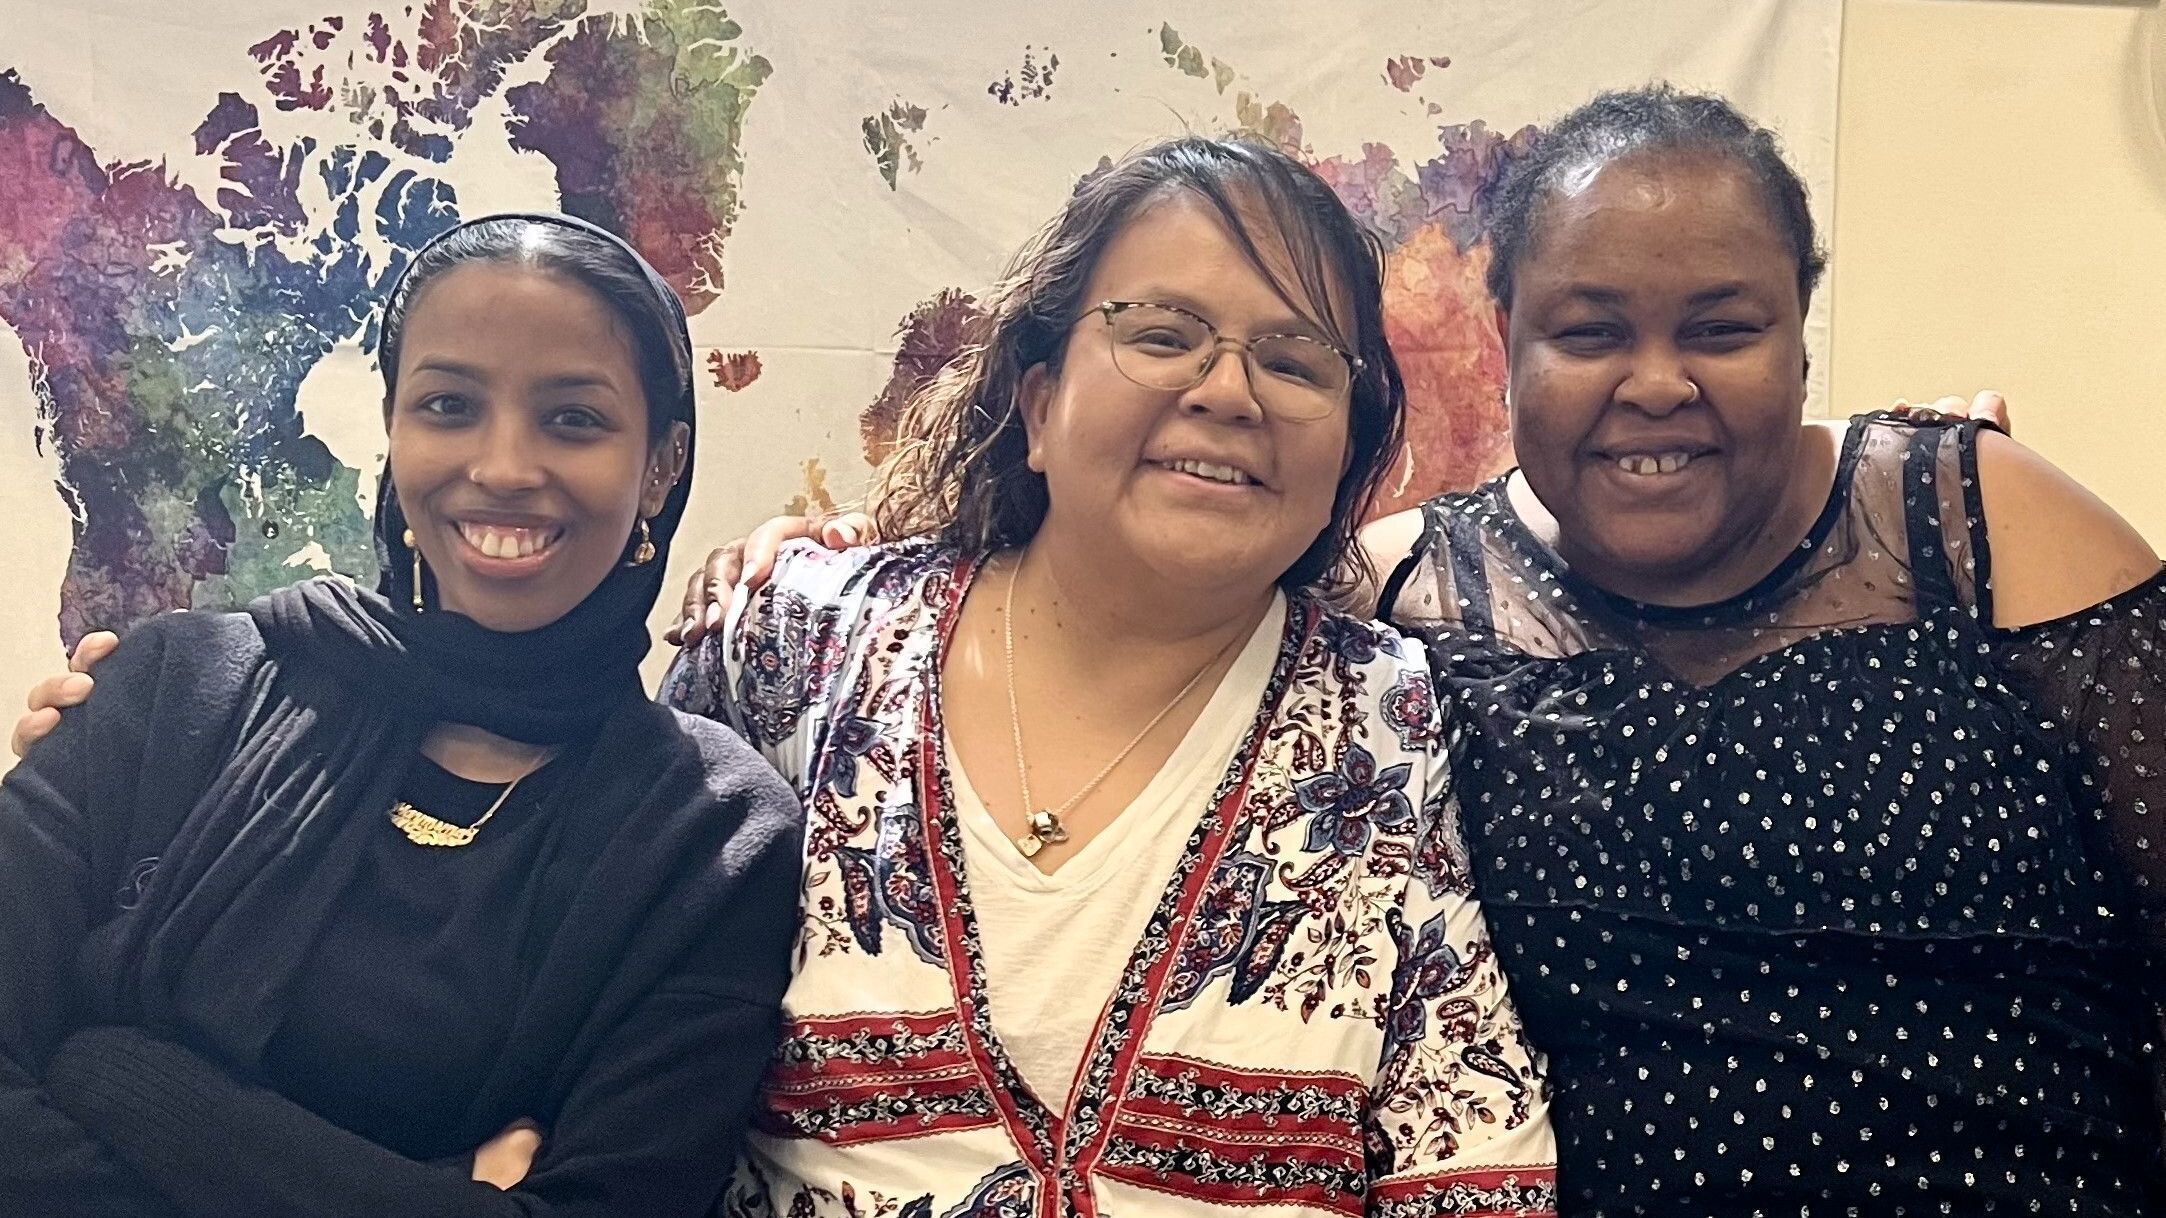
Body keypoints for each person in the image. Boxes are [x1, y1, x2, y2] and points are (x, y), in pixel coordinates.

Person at [653, 89, 2166, 1215]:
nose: (1658, 380)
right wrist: (820, 557)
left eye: (1723, 326)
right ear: (1501, 349)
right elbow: (1144, 544)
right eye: (1588, 329)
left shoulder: (1958, 513)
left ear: (1798, 339)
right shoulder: (1406, 602)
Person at [667, 136, 1557, 1216]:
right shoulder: (798, 647)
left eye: (1294, 360)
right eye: (1164, 335)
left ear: (1346, 447)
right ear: (1039, 405)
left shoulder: (1402, 724)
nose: (1230, 391)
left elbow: (1470, 1156)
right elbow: (607, 1032)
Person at [0, 213, 801, 1216]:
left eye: (573, 419)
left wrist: (122, 1081)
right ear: (395, 428)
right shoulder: (171, 692)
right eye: (450, 405)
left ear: (661, 463)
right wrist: (436, 1194)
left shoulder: (712, 836)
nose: (504, 466)